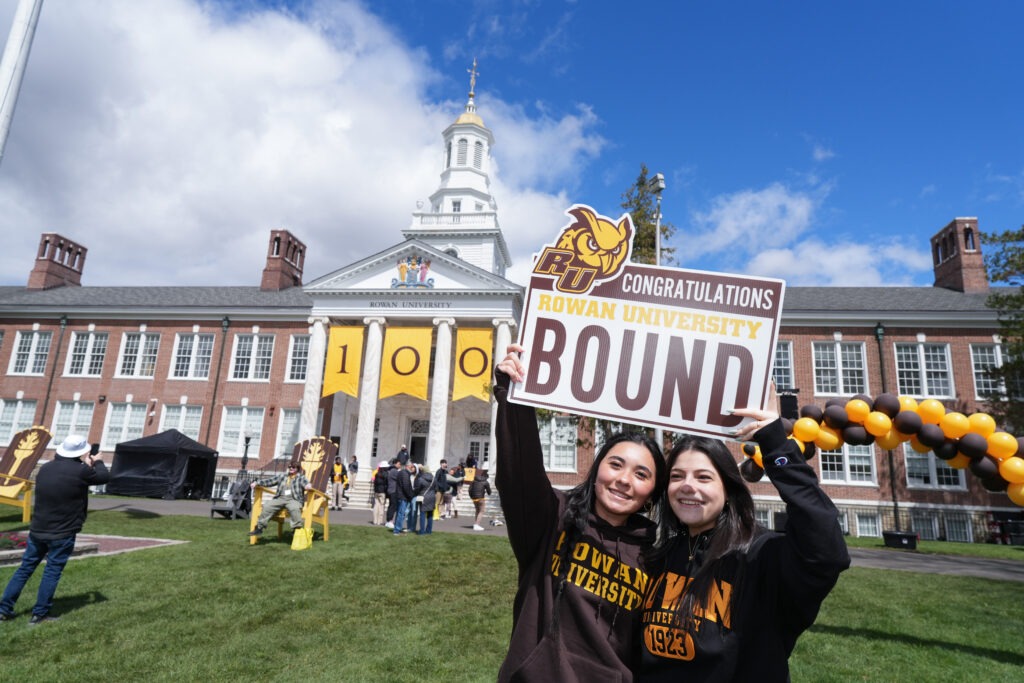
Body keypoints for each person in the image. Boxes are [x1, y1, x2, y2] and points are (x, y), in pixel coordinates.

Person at [494, 344, 667, 682]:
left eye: (641, 474)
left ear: (651, 495)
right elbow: (520, 472)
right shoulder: (550, 520)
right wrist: (512, 395)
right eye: (615, 465)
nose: (623, 480)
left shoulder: (655, 557)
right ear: (597, 469)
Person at [638, 407, 851, 681]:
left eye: (704, 477)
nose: (687, 486)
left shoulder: (761, 555)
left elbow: (825, 550)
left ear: (728, 491)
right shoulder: (658, 557)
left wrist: (776, 445)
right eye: (677, 476)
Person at [0, 435, 110, 624]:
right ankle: (40, 614)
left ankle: (3, 610)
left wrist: (86, 464)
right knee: (52, 570)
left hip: (38, 528)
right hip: (63, 531)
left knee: (25, 568)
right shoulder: (81, 471)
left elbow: (71, 479)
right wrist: (98, 461)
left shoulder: (46, 468)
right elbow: (103, 477)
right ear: (82, 452)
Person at [248, 461, 312, 537]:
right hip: (280, 498)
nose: (291, 468)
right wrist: (257, 483)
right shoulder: (282, 476)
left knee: (294, 508)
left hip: (294, 499)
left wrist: (308, 485)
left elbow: (306, 483)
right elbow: (269, 481)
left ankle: (296, 529)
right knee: (267, 506)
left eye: (293, 467)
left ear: (297, 469)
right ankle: (259, 528)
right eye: (290, 467)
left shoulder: (301, 477)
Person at [392, 459, 414, 535]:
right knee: (401, 514)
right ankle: (397, 530)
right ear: (408, 466)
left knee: (400, 513)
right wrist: (410, 496)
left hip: (401, 496)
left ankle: (397, 528)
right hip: (403, 496)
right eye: (411, 466)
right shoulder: (405, 473)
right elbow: (406, 486)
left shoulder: (403, 473)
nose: (412, 468)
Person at [415, 465, 437, 535]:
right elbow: (436, 488)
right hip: (432, 497)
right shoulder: (434, 478)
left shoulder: (421, 478)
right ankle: (429, 530)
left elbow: (418, 488)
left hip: (423, 497)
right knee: (430, 515)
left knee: (422, 514)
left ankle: (422, 531)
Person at [371, 459, 390, 526]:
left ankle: (375, 520)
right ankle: (379, 521)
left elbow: (375, 483)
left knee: (376, 505)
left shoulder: (377, 474)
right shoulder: (386, 474)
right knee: (381, 506)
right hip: (382, 492)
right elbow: (387, 483)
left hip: (376, 491)